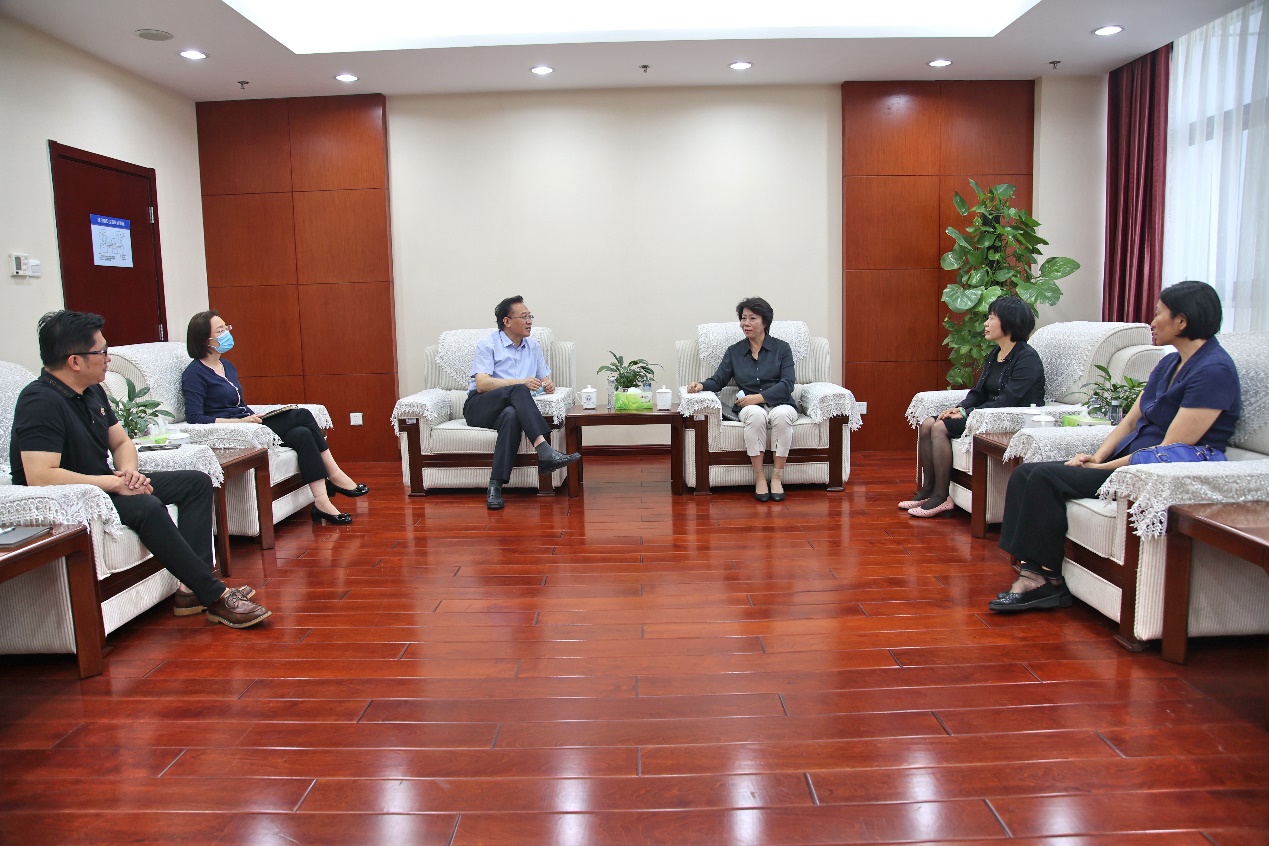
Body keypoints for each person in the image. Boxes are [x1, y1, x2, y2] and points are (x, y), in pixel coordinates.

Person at [989, 281, 1240, 612]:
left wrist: (1103, 468)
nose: (1152, 321)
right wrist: (1097, 455)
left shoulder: (1214, 371)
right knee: (1026, 473)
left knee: (1044, 478)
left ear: (1182, 321)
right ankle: (1035, 572)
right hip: (1129, 459)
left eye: (1159, 313)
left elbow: (1170, 449)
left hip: (1153, 473)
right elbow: (1130, 421)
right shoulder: (1169, 364)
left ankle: (1043, 581)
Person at [10, 311, 269, 628]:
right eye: (102, 351)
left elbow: (121, 443)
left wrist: (129, 473)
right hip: (75, 498)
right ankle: (215, 595)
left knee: (197, 483)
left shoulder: (92, 391)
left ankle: (191, 590)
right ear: (75, 361)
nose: (108, 358)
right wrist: (114, 483)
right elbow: (40, 475)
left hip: (106, 485)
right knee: (147, 506)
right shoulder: (40, 401)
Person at [181, 311, 367, 526]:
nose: (226, 334)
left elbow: (238, 403)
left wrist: (251, 415)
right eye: (220, 331)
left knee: (303, 434)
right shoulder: (194, 373)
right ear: (205, 340)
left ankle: (321, 502)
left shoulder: (227, 365)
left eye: (226, 328)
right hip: (238, 431)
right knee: (303, 415)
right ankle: (334, 474)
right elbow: (195, 417)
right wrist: (240, 422)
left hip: (251, 422)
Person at [903, 295, 1045, 517]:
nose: (986, 324)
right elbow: (979, 392)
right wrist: (960, 408)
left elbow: (1007, 400)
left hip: (1008, 419)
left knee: (940, 428)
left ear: (1010, 322)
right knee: (929, 423)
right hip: (985, 413)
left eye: (992, 318)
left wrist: (967, 413)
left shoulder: (1027, 358)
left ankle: (942, 496)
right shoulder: (996, 353)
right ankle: (928, 489)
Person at [464, 296, 580, 510]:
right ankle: (544, 449)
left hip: (507, 410)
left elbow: (544, 378)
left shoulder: (533, 347)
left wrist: (548, 384)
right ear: (507, 321)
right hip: (479, 407)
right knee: (518, 389)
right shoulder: (489, 344)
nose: (529, 321)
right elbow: (482, 384)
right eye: (524, 317)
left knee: (511, 415)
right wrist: (520, 383)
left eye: (530, 316)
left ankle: (495, 487)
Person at [687, 297, 797, 502]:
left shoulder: (782, 348)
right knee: (755, 416)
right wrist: (700, 385)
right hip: (749, 407)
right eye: (743, 318)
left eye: (752, 318)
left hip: (780, 402)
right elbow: (719, 379)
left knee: (782, 416)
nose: (745, 323)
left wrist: (759, 397)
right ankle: (760, 478)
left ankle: (776, 477)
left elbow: (788, 383)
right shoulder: (734, 351)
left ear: (765, 322)